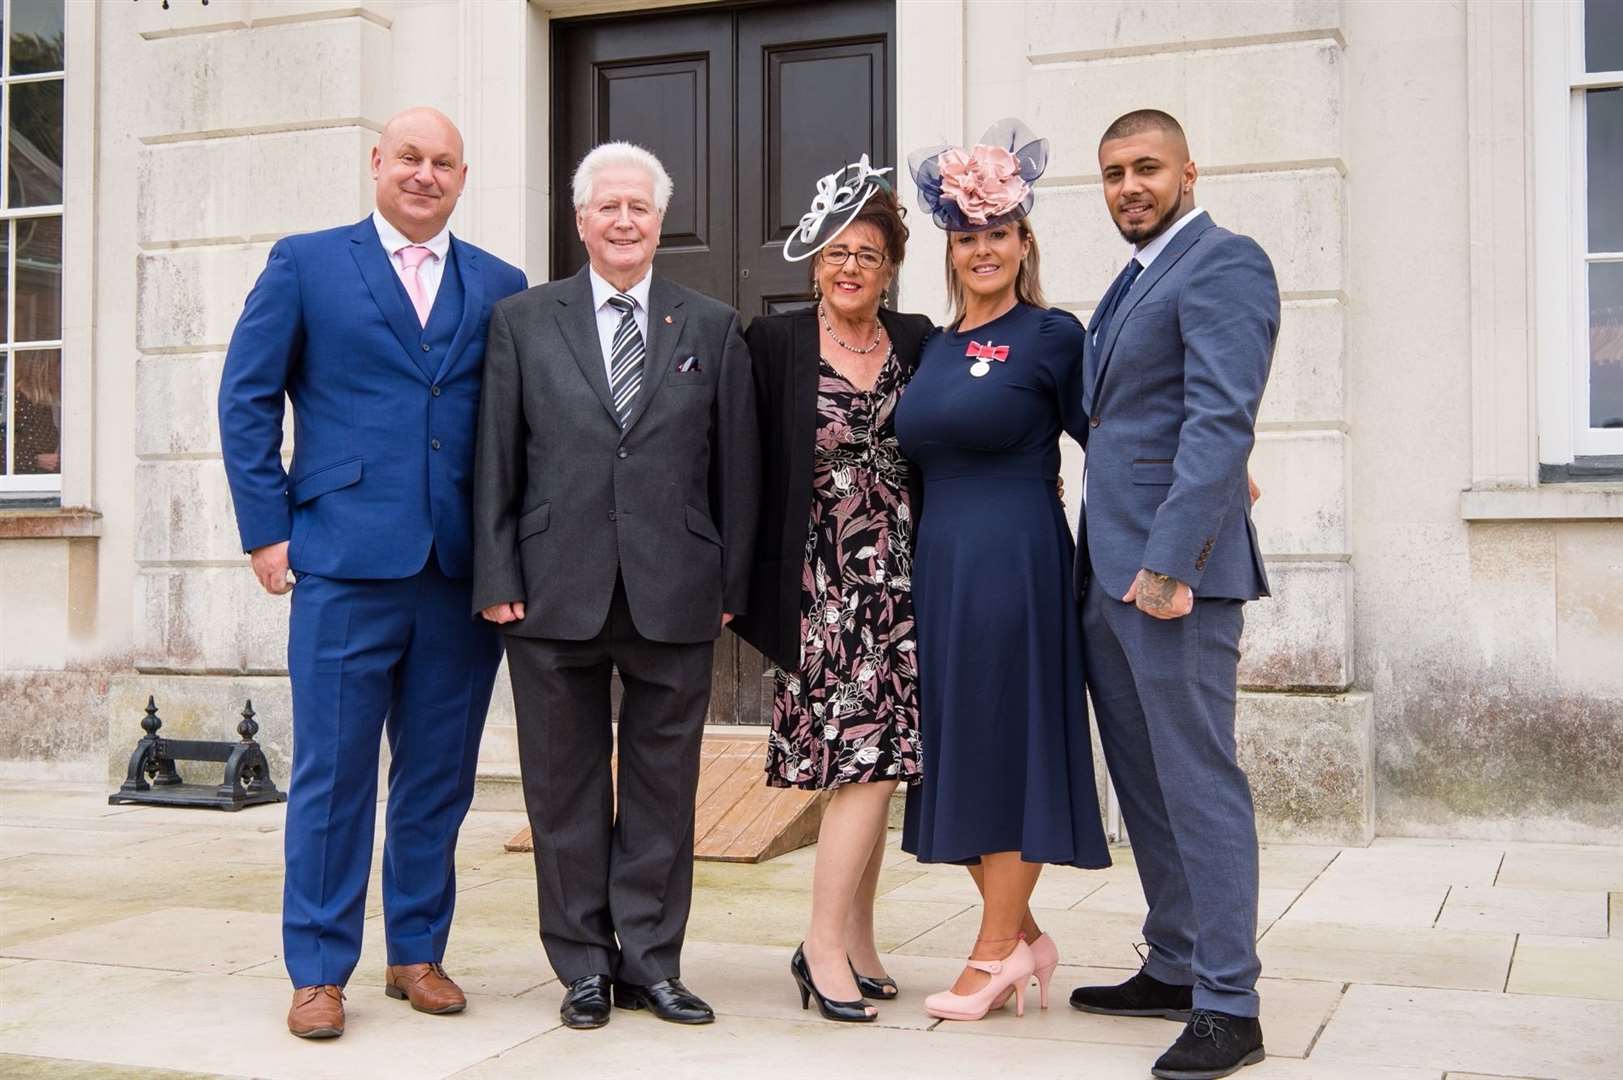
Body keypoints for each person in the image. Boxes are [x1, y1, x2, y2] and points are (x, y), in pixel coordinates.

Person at [217, 106, 528, 1039]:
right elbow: (246, 395)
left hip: (458, 571)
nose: (424, 175)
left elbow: (515, 429)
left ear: (462, 178)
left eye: (442, 162)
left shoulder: (501, 285)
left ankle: (417, 953)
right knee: (334, 774)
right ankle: (317, 969)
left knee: (439, 777)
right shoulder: (306, 263)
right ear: (376, 164)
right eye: (408, 159)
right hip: (344, 559)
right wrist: (267, 531)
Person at [471, 142, 759, 1031]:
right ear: (581, 221)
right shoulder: (523, 320)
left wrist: (730, 582)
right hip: (551, 591)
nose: (624, 220)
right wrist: (495, 574)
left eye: (639, 206)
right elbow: (495, 461)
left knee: (664, 788)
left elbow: (737, 468)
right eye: (608, 207)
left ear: (659, 221)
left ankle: (651, 961)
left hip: (674, 588)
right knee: (561, 790)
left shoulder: (708, 325)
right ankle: (583, 965)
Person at [1068, 109, 1278, 1080]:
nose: (1128, 187)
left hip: (1169, 577)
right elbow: (1114, 420)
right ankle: (1177, 957)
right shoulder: (1133, 279)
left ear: (1190, 168)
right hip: (1109, 567)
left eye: (1146, 168)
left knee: (1198, 778)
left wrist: (1173, 564)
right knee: (1144, 781)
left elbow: (1219, 420)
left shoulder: (1226, 263)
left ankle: (1230, 1004)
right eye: (1113, 173)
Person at [895, 119, 1110, 1022]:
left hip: (1016, 565)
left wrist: (1220, 474)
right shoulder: (931, 348)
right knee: (964, 747)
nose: (982, 249)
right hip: (939, 569)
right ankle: (1021, 939)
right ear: (950, 249)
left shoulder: (1054, 335)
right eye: (967, 236)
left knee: (1010, 743)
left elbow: (1114, 432)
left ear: (1024, 243)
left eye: (998, 233)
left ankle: (993, 953)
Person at [730, 158, 934, 1023]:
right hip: (820, 582)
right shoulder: (771, 345)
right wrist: (733, 580)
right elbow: (738, 466)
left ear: (890, 269)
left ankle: (855, 941)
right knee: (860, 764)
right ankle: (822, 947)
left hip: (903, 577)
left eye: (869, 255)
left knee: (879, 767)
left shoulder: (920, 341)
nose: (850, 267)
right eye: (835, 254)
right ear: (813, 264)